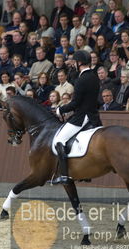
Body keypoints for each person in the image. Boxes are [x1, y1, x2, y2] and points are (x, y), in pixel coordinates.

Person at [51, 50, 101, 185]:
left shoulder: (81, 80)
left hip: (82, 117)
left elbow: (75, 103)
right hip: (94, 117)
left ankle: (64, 175)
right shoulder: (95, 77)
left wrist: (60, 109)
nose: (73, 64)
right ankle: (87, 174)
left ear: (79, 63)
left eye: (75, 62)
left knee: (59, 140)